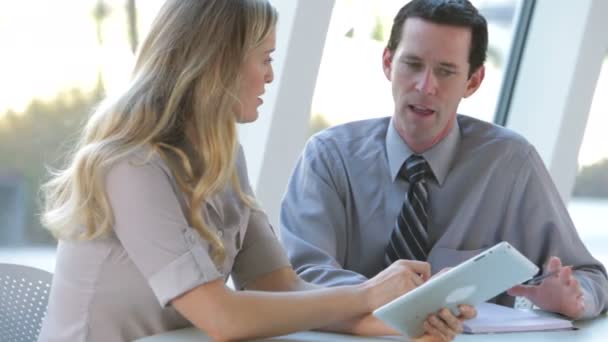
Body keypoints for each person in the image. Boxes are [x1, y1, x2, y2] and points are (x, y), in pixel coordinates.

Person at [37, 1, 476, 341]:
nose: (270, 75)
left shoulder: (222, 159)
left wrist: (398, 321)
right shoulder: (131, 166)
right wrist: (366, 294)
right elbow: (223, 316)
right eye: (264, 57)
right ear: (218, 63)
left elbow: (282, 288)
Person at [280, 0, 608, 321]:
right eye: (412, 64)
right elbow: (302, 276)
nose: (426, 86)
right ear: (387, 63)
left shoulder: (510, 163)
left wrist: (574, 299)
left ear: (473, 81)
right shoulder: (328, 158)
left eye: (446, 71)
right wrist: (403, 298)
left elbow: (591, 277)